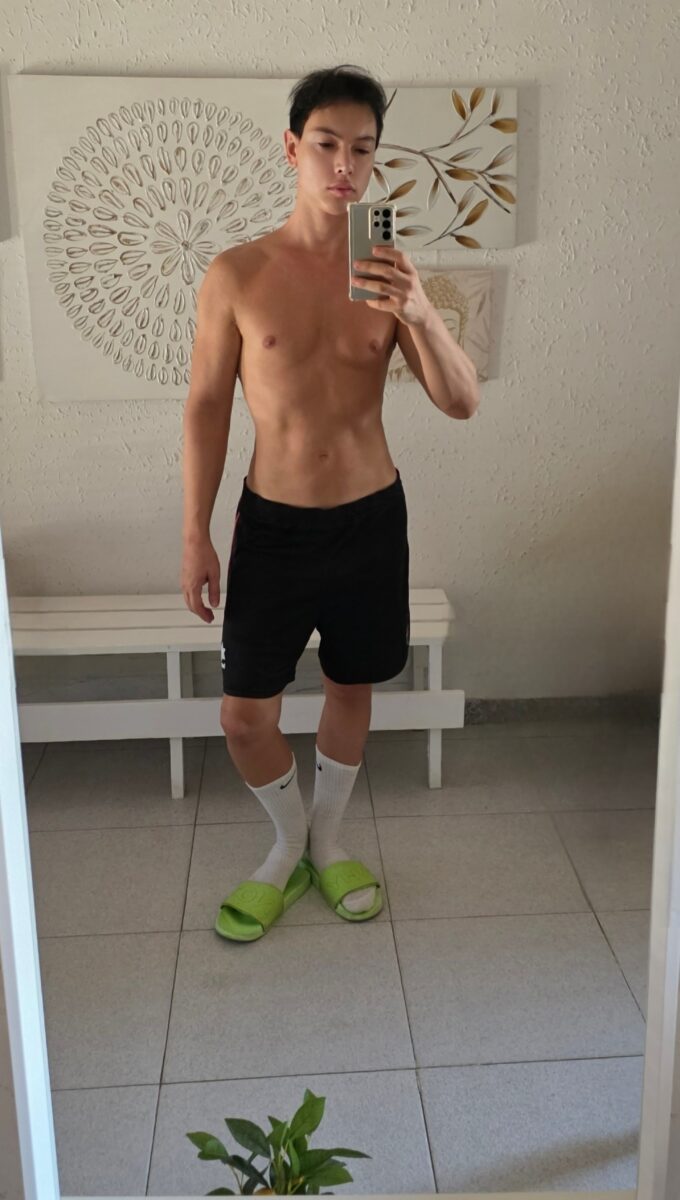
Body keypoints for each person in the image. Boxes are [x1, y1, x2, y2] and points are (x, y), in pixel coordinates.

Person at [180, 64, 479, 941]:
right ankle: (288, 842)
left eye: (362, 149)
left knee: (352, 686)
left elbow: (461, 402)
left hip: (370, 521)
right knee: (245, 717)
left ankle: (328, 840)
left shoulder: (388, 275)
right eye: (326, 144)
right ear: (292, 148)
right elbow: (206, 407)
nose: (344, 164)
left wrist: (421, 311)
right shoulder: (236, 273)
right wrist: (195, 532)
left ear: (375, 160)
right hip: (272, 527)